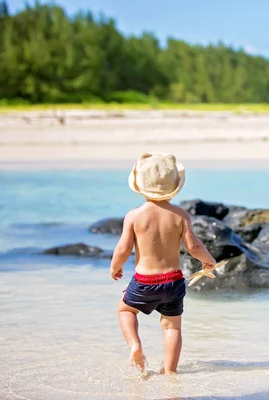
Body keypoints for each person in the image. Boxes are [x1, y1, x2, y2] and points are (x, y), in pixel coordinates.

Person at [110, 153, 216, 375]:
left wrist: (115, 267)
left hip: (144, 280)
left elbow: (122, 249)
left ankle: (135, 345)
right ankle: (170, 371)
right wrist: (208, 260)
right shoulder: (180, 215)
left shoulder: (134, 216)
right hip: (173, 281)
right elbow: (194, 246)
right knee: (172, 326)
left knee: (125, 309)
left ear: (139, 185)